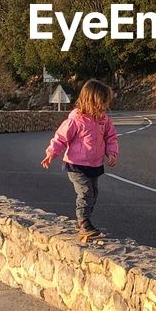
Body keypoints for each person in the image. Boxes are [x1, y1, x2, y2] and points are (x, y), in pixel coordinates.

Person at [41, 79, 118, 242]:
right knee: (85, 192)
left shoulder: (103, 119)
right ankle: (83, 222)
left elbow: (110, 136)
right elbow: (60, 138)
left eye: (105, 103)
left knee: (94, 194)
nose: (104, 107)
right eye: (101, 103)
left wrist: (112, 153)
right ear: (90, 101)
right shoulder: (76, 119)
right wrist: (51, 153)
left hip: (95, 164)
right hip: (76, 165)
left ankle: (84, 221)